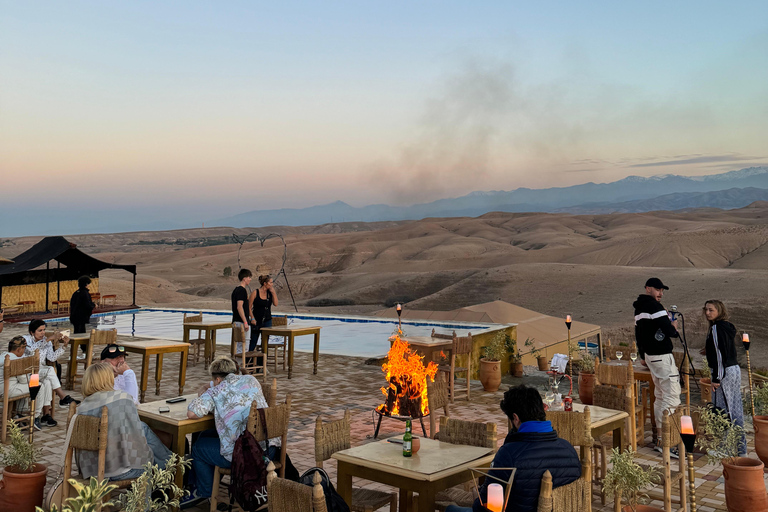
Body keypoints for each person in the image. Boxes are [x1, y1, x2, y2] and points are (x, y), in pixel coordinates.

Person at [446, 385, 581, 512]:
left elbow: (485, 507)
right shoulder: (569, 449)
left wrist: (477, 498)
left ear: (515, 418)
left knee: (450, 509)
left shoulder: (509, 455)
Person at [182, 355, 279, 508]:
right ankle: (200, 484)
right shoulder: (251, 380)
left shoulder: (216, 391)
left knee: (198, 447)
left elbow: (192, 414)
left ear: (218, 380)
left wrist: (204, 391)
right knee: (205, 435)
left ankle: (204, 493)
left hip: (245, 456)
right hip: (269, 449)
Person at [76, 362, 172, 481]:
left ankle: (168, 461)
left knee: (142, 428)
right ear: (108, 379)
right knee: (143, 435)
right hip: (118, 471)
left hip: (91, 471)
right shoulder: (121, 398)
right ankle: (170, 464)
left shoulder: (81, 408)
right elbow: (137, 437)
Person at [633, 277, 681, 454]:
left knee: (660, 396)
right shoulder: (654, 307)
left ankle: (660, 439)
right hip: (661, 355)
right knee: (671, 396)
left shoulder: (639, 308)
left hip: (651, 357)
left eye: (662, 290)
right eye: (657, 289)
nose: (660, 293)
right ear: (648, 289)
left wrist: (643, 354)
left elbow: (639, 334)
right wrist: (673, 325)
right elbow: (669, 331)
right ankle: (667, 442)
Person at [703, 299, 747, 455]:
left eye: (711, 310)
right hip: (734, 370)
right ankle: (741, 449)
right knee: (735, 409)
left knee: (723, 410)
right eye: (706, 310)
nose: (708, 313)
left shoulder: (716, 328)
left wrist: (716, 378)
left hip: (724, 373)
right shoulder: (727, 327)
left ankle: (725, 448)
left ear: (719, 311)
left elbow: (720, 356)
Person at [23, 319, 79, 409]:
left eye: (44, 330)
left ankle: (46, 415)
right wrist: (48, 339)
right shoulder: (26, 340)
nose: (43, 333)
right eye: (40, 330)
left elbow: (51, 358)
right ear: (32, 332)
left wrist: (64, 346)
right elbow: (31, 351)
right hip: (28, 371)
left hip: (40, 370)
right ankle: (63, 397)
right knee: (50, 369)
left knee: (48, 382)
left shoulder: (46, 341)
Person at [0, 336, 55, 429]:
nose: (24, 352)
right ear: (18, 349)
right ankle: (35, 417)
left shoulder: (3, 356)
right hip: (8, 390)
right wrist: (37, 377)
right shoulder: (16, 360)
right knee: (39, 386)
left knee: (27, 385)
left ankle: (20, 413)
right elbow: (24, 380)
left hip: (4, 388)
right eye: (24, 349)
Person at [248, 274, 278, 352]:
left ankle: (263, 361)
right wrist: (252, 318)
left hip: (267, 321)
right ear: (265, 283)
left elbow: (276, 304)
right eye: (270, 283)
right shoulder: (255, 292)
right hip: (256, 320)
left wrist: (274, 293)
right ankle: (248, 361)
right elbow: (249, 307)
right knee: (253, 341)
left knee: (265, 342)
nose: (272, 284)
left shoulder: (270, 293)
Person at [70, 276, 96, 356]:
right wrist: (93, 305)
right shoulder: (84, 293)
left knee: (77, 333)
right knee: (81, 334)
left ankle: (74, 351)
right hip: (80, 317)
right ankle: (84, 351)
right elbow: (87, 305)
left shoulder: (76, 293)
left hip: (75, 317)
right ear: (86, 284)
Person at [231, 269, 252, 354]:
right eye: (249, 277)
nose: (250, 279)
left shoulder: (236, 290)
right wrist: (245, 322)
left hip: (237, 321)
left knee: (240, 345)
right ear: (244, 278)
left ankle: (239, 364)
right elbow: (239, 307)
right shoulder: (241, 290)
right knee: (244, 346)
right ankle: (241, 365)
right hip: (241, 322)